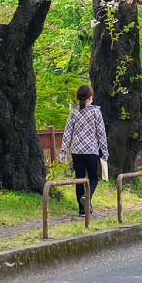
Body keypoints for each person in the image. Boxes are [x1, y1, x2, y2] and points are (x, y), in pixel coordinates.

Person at [59, 84, 108, 216]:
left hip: (76, 152)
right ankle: (87, 197)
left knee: (79, 179)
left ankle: (82, 211)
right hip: (92, 151)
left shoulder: (74, 112)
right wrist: (105, 152)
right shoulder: (96, 112)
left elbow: (67, 133)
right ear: (90, 97)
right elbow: (101, 134)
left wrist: (63, 152)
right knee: (93, 178)